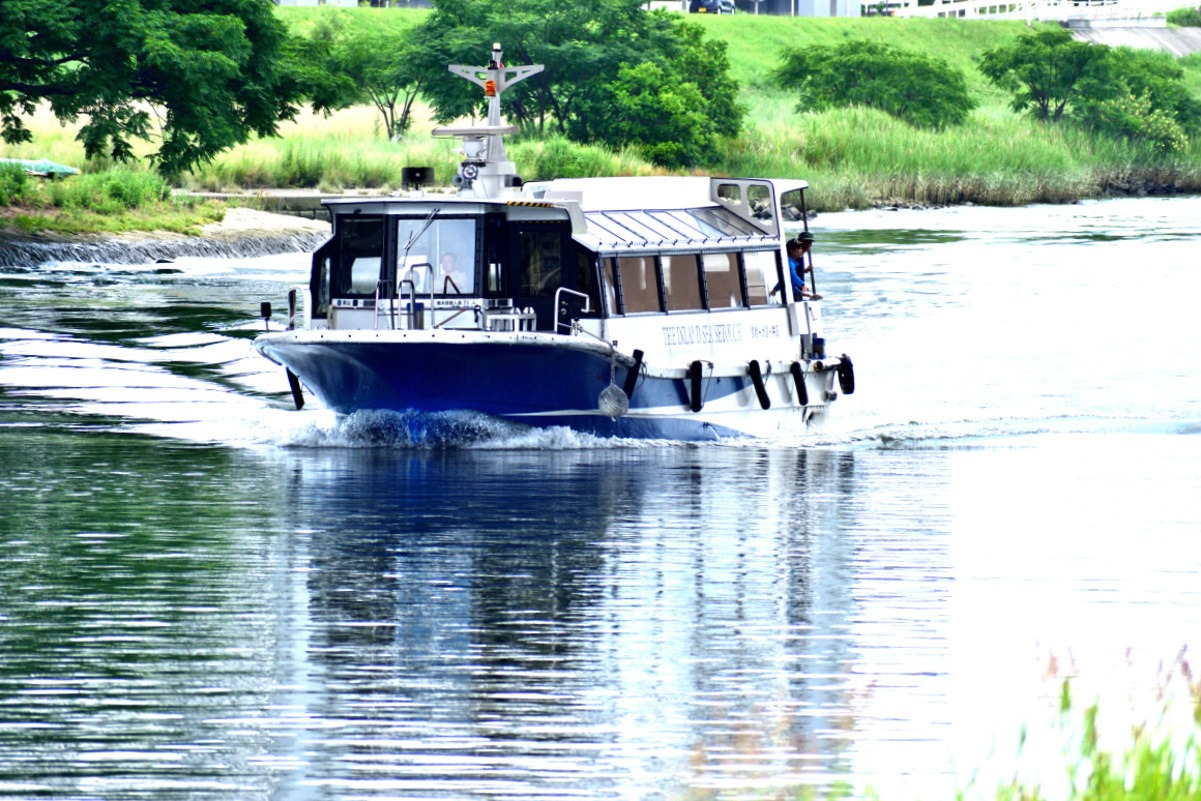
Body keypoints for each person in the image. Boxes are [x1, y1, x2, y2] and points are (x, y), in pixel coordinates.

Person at [771, 231, 814, 299]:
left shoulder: (794, 260)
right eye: (799, 249)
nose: (801, 251)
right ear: (792, 250)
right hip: (795, 289)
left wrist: (775, 289)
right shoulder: (790, 262)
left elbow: (786, 279)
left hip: (795, 289)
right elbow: (792, 275)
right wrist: (802, 285)